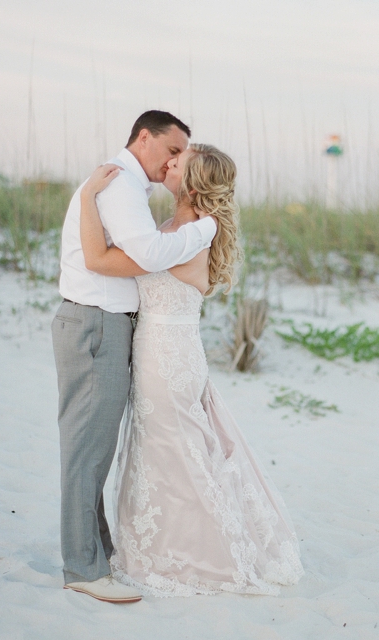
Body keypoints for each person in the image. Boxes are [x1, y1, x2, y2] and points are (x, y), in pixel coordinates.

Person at [78, 144, 304, 597]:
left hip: (168, 357)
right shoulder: (172, 229)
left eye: (177, 162)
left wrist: (86, 198)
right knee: (165, 452)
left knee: (174, 454)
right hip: (164, 352)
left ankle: (195, 557)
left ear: (194, 182)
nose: (168, 162)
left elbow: (100, 260)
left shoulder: (195, 232)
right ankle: (160, 548)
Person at [52, 111, 217, 604]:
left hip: (106, 326)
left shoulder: (124, 186)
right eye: (171, 149)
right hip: (96, 324)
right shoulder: (119, 184)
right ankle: (82, 566)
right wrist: (203, 231)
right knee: (87, 451)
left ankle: (95, 554)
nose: (173, 161)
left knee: (95, 449)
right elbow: (145, 252)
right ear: (143, 137)